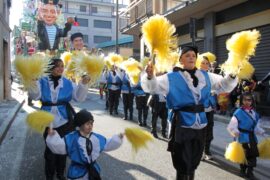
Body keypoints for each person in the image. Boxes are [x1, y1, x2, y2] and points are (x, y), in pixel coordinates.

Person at [142, 46, 238, 180]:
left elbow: (224, 85)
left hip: (201, 123)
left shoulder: (206, 76)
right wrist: (150, 76)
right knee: (181, 159)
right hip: (181, 123)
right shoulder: (171, 77)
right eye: (187, 55)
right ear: (181, 60)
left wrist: (232, 75)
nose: (191, 57)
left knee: (194, 158)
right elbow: (153, 88)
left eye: (193, 55)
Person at [28, 58, 90, 180]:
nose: (60, 68)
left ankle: (60, 174)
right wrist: (33, 83)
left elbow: (79, 97)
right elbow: (35, 96)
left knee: (63, 149)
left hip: (65, 121)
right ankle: (49, 175)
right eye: (57, 66)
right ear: (50, 68)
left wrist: (83, 84)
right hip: (47, 121)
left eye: (62, 66)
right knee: (50, 150)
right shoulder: (42, 81)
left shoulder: (67, 82)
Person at [46, 109, 123, 180]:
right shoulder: (72, 138)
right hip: (77, 172)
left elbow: (107, 144)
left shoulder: (95, 137)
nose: (90, 126)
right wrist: (52, 136)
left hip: (93, 170)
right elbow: (60, 146)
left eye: (91, 123)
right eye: (87, 123)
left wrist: (118, 138)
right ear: (80, 124)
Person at [227, 92, 266, 178]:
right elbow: (231, 126)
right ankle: (242, 170)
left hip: (252, 137)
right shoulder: (238, 112)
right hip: (242, 137)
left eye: (249, 100)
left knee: (253, 155)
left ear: (252, 101)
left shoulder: (255, 114)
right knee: (244, 155)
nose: (247, 102)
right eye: (245, 100)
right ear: (241, 100)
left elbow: (256, 127)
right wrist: (235, 131)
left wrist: (261, 131)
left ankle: (250, 171)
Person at [197, 53, 218, 160]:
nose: (205, 65)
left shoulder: (211, 76)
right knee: (200, 131)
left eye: (207, 63)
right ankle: (200, 152)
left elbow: (219, 86)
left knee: (209, 131)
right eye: (203, 63)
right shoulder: (195, 75)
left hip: (209, 108)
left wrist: (215, 91)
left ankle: (207, 150)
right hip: (199, 109)